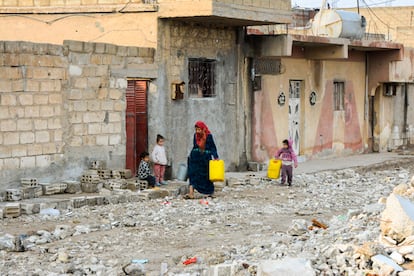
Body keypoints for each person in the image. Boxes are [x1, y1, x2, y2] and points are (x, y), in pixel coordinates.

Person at [185, 121, 219, 199]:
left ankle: (209, 192)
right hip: (195, 158)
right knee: (192, 174)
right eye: (196, 129)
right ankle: (191, 193)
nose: (197, 131)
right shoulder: (195, 136)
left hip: (205, 159)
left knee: (206, 175)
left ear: (203, 129)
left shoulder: (209, 136)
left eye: (199, 129)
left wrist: (216, 157)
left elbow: (212, 147)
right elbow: (195, 146)